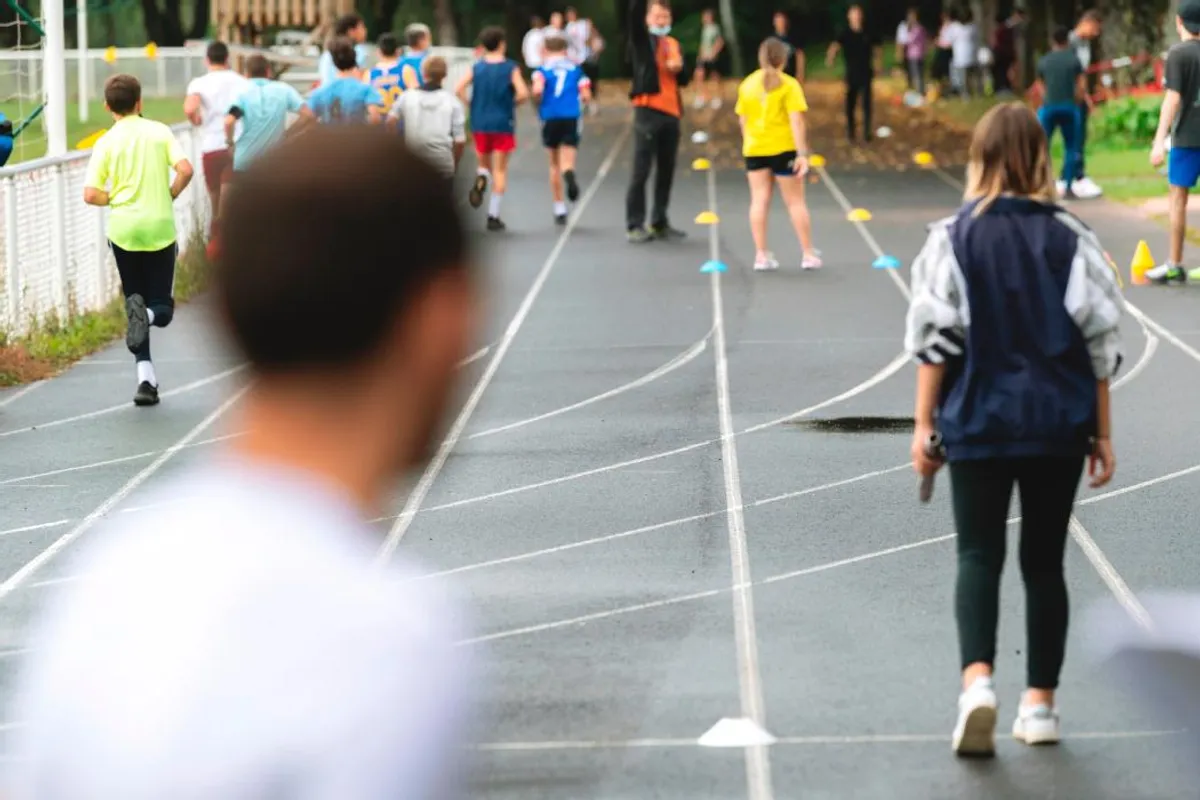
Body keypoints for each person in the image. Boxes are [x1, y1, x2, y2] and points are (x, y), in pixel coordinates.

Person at [8, 124, 474, 798]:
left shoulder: (104, 579)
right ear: (442, 319)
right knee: (153, 296)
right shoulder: (385, 638)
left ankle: (148, 338)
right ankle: (155, 313)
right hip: (157, 226)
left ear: (225, 316)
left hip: (125, 230)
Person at [906, 102, 1122, 758]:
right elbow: (1100, 343)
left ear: (980, 158)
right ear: (1039, 158)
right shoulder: (1073, 237)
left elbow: (935, 339)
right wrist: (1103, 434)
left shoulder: (952, 236)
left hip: (978, 419)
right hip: (1057, 424)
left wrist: (924, 425)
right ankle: (1041, 705)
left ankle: (977, 685)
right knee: (1045, 562)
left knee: (977, 554)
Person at [82, 75, 193, 407]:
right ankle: (147, 315)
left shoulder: (105, 142)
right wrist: (170, 194)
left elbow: (90, 194)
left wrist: (115, 198)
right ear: (140, 102)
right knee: (162, 310)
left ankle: (146, 381)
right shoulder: (159, 132)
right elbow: (186, 169)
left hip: (124, 231)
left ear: (107, 106)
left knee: (135, 307)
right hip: (159, 228)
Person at [736, 37, 819, 272]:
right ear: (783, 60)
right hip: (783, 148)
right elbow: (796, 121)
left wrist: (750, 142)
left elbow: (743, 120)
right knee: (795, 202)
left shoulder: (747, 85)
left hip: (755, 149)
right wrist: (802, 153)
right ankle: (808, 253)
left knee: (759, 200)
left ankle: (761, 254)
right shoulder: (789, 85)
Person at [457, 25, 528, 231]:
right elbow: (523, 93)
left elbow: (458, 88)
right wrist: (512, 103)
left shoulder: (476, 67)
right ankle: (493, 215)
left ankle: (481, 176)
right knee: (500, 170)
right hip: (502, 123)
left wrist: (470, 103)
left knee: (484, 163)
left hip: (480, 122)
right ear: (502, 44)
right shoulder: (510, 68)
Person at [1148, 0, 1200, 284]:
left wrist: (1159, 141)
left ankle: (1174, 265)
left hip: (1186, 138)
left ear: (1179, 22)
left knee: (1178, 199)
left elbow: (1173, 98)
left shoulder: (1178, 53)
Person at [625, 0, 685, 243]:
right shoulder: (643, 41)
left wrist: (679, 67)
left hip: (672, 110)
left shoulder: (673, 43)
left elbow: (682, 75)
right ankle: (635, 223)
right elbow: (634, 19)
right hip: (648, 109)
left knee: (666, 169)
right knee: (642, 169)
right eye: (657, 17)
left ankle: (659, 220)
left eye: (665, 17)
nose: (661, 22)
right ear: (647, 19)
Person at [182, 40, 247, 230]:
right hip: (237, 146)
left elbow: (190, 108)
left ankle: (215, 241)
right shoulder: (242, 82)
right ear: (227, 59)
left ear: (207, 60)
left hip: (211, 147)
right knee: (236, 205)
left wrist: (196, 120)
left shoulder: (199, 83)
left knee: (215, 205)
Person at [533, 34, 592, 226]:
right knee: (568, 159)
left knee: (553, 163)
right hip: (571, 116)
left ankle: (559, 207)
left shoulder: (542, 70)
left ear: (546, 50)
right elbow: (586, 95)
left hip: (550, 116)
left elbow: (537, 90)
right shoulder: (576, 70)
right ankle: (569, 173)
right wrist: (583, 102)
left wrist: (538, 102)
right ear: (565, 50)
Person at [391, 56, 467, 179]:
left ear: (423, 73)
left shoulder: (406, 97)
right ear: (445, 75)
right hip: (442, 162)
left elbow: (391, 121)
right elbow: (460, 141)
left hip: (412, 161)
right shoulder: (452, 101)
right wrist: (454, 163)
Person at [1036, 26, 1086, 198]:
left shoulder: (1044, 61)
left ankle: (1043, 183)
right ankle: (1068, 186)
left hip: (1049, 107)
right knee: (1071, 146)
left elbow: (1040, 85)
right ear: (1067, 40)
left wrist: (1045, 98)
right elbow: (1081, 85)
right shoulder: (1074, 60)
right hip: (1069, 106)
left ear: (1052, 41)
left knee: (1043, 146)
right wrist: (1077, 100)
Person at [826, 4, 881, 144]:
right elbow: (835, 46)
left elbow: (877, 48)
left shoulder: (868, 32)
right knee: (850, 103)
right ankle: (851, 131)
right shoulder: (845, 33)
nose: (856, 17)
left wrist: (877, 64)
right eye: (854, 14)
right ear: (849, 17)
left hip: (866, 72)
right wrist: (830, 58)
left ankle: (867, 132)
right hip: (851, 73)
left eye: (858, 14)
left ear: (861, 16)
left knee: (867, 103)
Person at [303, 37, 384, 125]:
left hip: (329, 133)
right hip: (357, 132)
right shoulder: (366, 90)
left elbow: (307, 119)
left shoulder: (320, 92)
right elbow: (375, 118)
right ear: (355, 58)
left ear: (334, 62)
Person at [1069, 10, 1104, 198]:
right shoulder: (1070, 42)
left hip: (1080, 97)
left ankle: (1077, 174)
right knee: (1074, 137)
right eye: (1095, 29)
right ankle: (1074, 176)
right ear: (1087, 23)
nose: (1096, 34)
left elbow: (1082, 74)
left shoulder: (1085, 44)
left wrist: (1087, 98)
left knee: (1080, 137)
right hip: (1070, 97)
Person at [317, 13, 369, 88]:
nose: (365, 31)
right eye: (362, 27)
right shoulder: (359, 51)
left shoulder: (326, 54)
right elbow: (361, 80)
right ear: (351, 31)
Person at [366, 32, 405, 115]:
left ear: (378, 51)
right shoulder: (405, 70)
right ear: (398, 51)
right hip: (400, 120)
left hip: (379, 120)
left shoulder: (369, 74)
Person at [693, 9, 724, 109]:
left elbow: (720, 41)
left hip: (711, 57)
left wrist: (714, 53)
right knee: (699, 75)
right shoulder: (705, 29)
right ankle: (702, 96)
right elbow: (703, 44)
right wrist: (700, 54)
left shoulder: (715, 28)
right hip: (703, 56)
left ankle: (717, 97)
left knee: (714, 76)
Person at [896, 8, 928, 96]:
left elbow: (908, 40)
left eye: (912, 17)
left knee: (917, 75)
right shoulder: (918, 28)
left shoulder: (917, 29)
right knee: (915, 75)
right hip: (914, 55)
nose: (910, 19)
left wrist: (905, 32)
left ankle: (920, 93)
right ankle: (917, 91)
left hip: (915, 55)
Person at [949, 8, 980, 98]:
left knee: (964, 78)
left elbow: (949, 39)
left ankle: (966, 94)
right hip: (971, 56)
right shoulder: (973, 27)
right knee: (973, 77)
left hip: (961, 57)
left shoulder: (954, 27)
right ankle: (976, 93)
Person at [771, 10, 805, 81]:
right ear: (774, 23)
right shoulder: (771, 40)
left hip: (791, 75)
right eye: (778, 21)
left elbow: (799, 55)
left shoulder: (793, 37)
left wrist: (800, 72)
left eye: (782, 21)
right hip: (777, 76)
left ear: (786, 22)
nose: (780, 23)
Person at [400, 23, 433, 90]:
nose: (430, 41)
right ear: (421, 41)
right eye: (428, 38)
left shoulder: (400, 61)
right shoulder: (428, 61)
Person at [932, 10, 955, 94]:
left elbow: (951, 40)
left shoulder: (953, 26)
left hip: (947, 51)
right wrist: (937, 41)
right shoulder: (943, 26)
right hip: (941, 50)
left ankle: (949, 90)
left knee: (947, 72)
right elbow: (942, 37)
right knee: (937, 71)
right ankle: (940, 90)